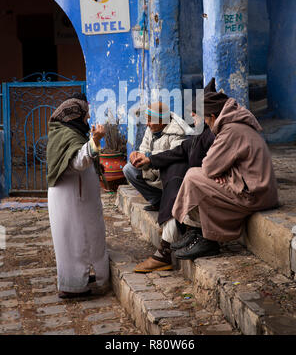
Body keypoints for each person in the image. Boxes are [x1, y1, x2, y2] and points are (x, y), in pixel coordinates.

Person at [171, 91, 279, 260]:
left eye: (206, 119)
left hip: (254, 195)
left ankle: (208, 239)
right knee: (196, 176)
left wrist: (218, 172)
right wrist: (221, 172)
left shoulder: (231, 130)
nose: (205, 123)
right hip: (255, 189)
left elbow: (208, 166)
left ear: (213, 116)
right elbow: (216, 167)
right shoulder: (234, 125)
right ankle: (197, 231)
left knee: (193, 177)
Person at [132, 79, 216, 273]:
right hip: (200, 180)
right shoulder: (202, 132)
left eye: (196, 113)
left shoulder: (214, 133)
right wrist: (149, 160)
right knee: (174, 166)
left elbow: (216, 163)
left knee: (179, 174)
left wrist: (152, 160)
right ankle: (183, 231)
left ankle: (164, 250)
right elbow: (181, 151)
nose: (191, 115)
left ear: (208, 114)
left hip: (227, 186)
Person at [46, 93, 110, 299]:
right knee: (72, 241)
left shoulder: (68, 132)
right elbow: (76, 163)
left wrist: (91, 141)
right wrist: (95, 141)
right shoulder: (66, 136)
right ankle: (73, 286)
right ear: (75, 116)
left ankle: (80, 278)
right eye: (85, 117)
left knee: (81, 238)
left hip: (77, 196)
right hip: (71, 197)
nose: (87, 120)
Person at [123, 101, 193, 212]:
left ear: (162, 121)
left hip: (167, 173)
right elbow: (144, 149)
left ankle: (171, 201)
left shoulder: (178, 132)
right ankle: (157, 200)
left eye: (150, 120)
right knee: (128, 169)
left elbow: (173, 155)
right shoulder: (150, 129)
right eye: (147, 120)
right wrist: (136, 156)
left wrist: (149, 157)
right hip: (152, 169)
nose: (147, 124)